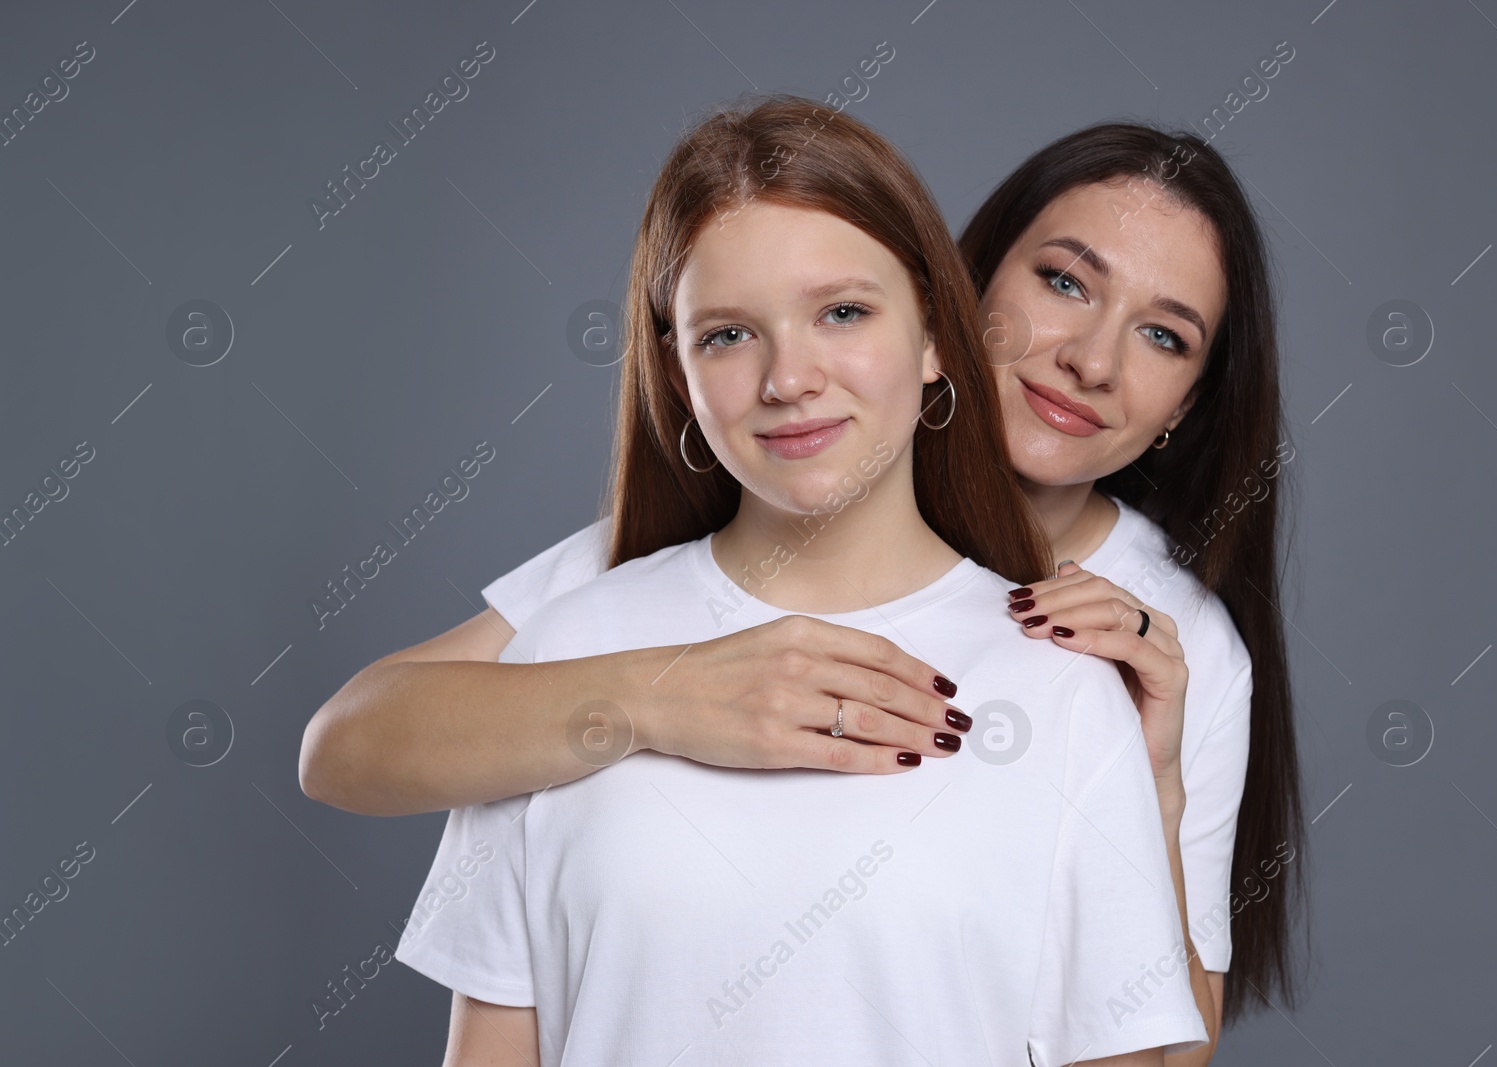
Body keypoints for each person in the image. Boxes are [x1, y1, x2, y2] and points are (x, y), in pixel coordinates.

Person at [301, 111, 1303, 1059]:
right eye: (1064, 282)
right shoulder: (641, 584)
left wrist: (1150, 784)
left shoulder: (1148, 652)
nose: (1089, 358)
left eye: (1163, 334)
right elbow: (351, 743)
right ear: (965, 296)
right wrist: (663, 694)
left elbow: (1152, 1038)